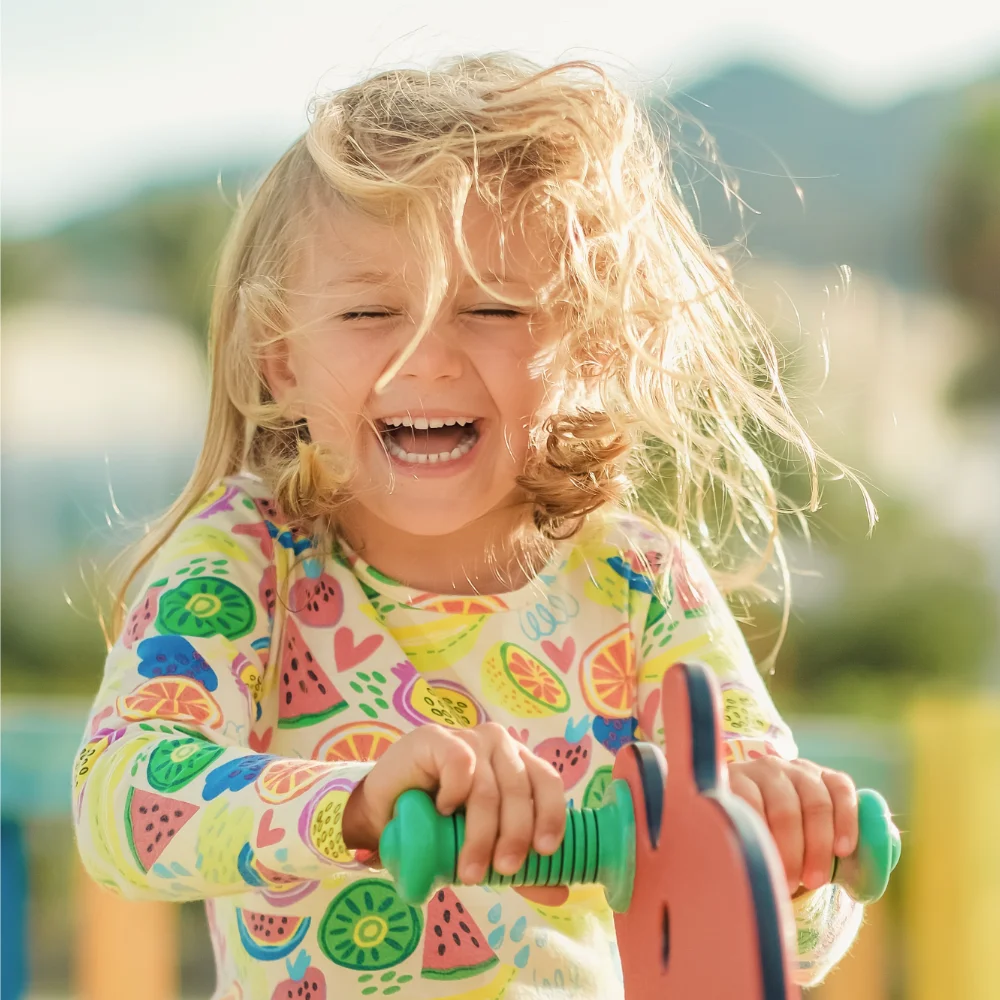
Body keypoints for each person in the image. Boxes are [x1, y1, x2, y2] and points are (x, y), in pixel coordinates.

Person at [73, 55, 870, 998]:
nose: (430, 358)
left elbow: (797, 939)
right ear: (280, 358)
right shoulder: (247, 555)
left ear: (591, 344)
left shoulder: (640, 581)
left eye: (495, 308)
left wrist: (790, 844)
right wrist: (357, 805)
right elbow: (127, 799)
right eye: (371, 310)